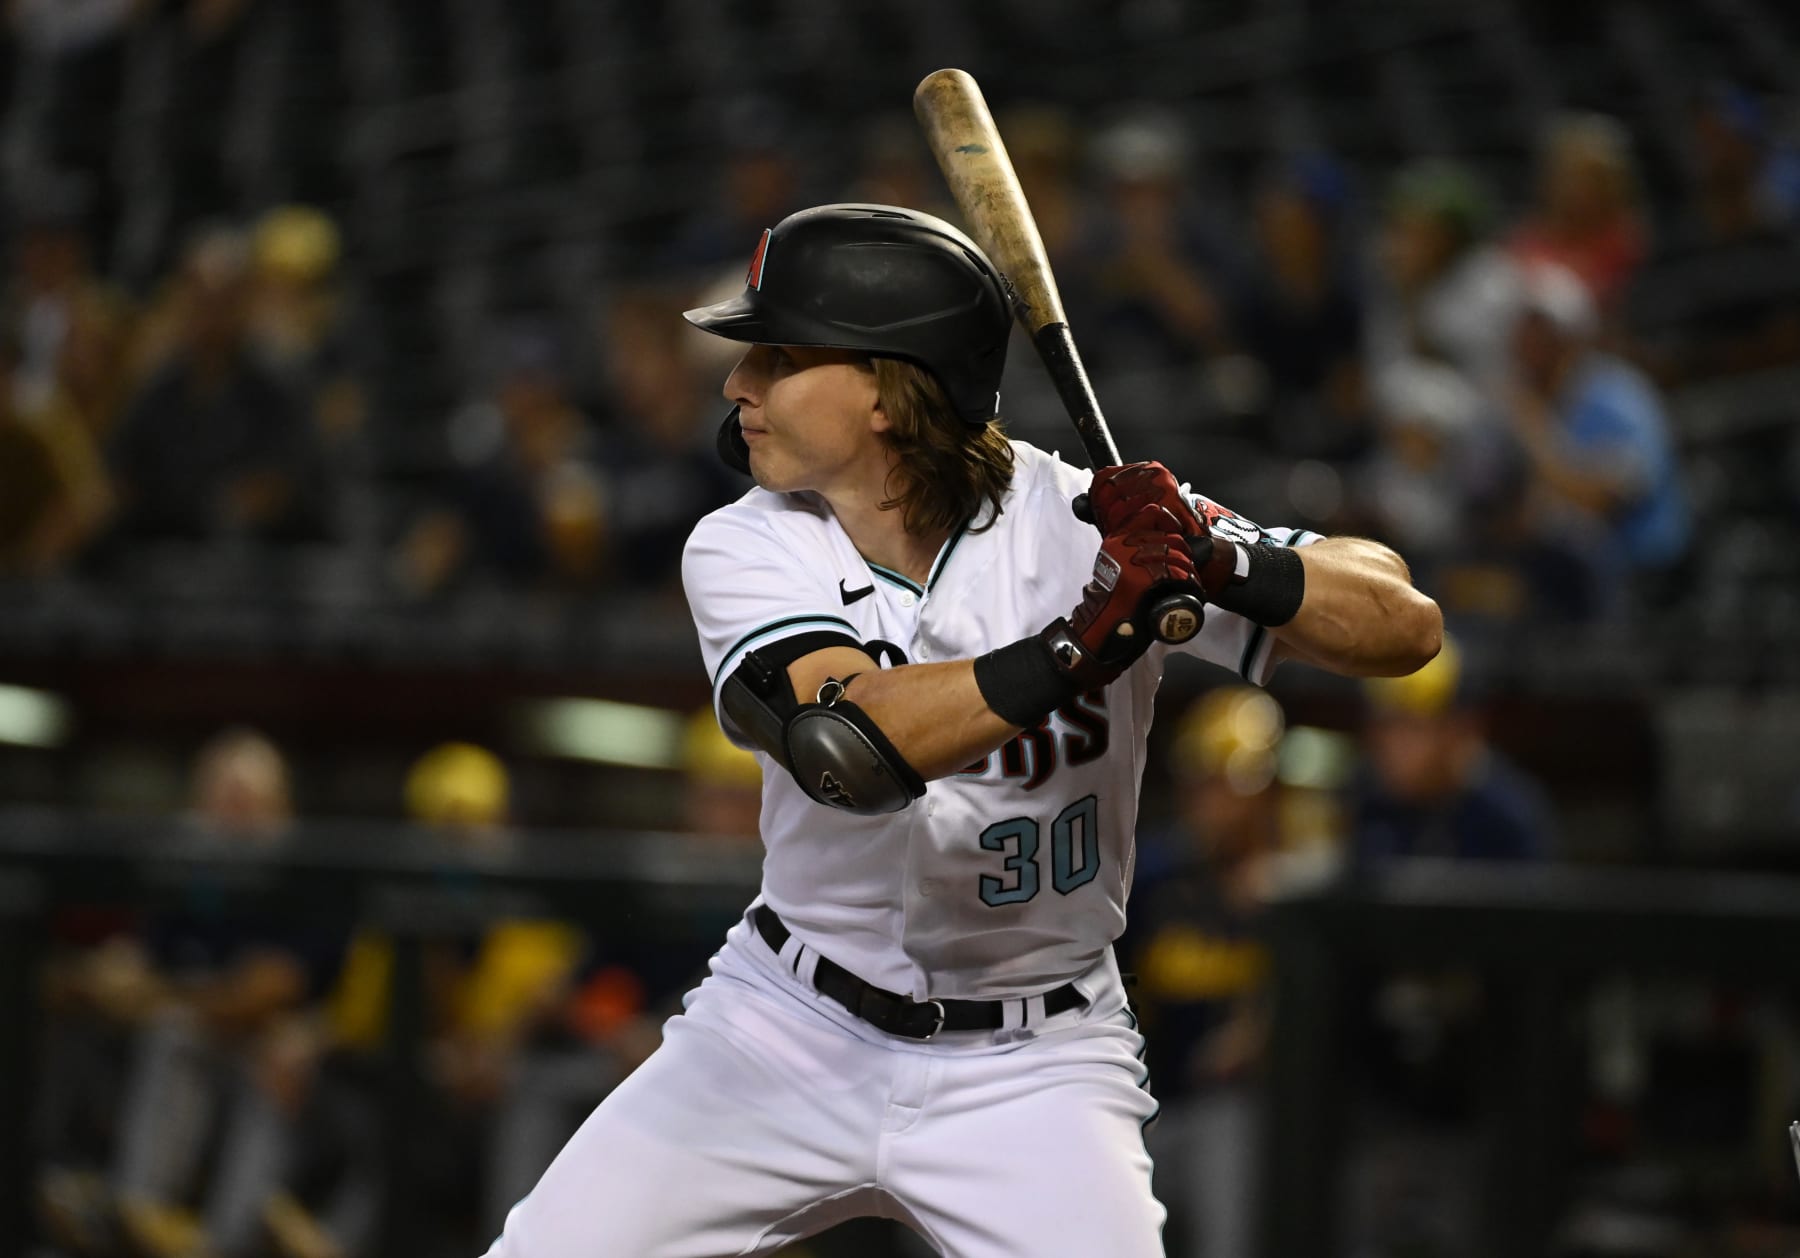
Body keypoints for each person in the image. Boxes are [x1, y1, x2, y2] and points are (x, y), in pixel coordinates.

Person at [484, 203, 1441, 1257]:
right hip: (787, 1027)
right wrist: (1080, 643)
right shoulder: (747, 544)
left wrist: (1221, 561)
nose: (736, 384)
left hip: (1037, 1059)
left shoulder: (1082, 519)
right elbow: (849, 747)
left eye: (779, 354)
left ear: (893, 392)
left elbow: (1404, 622)